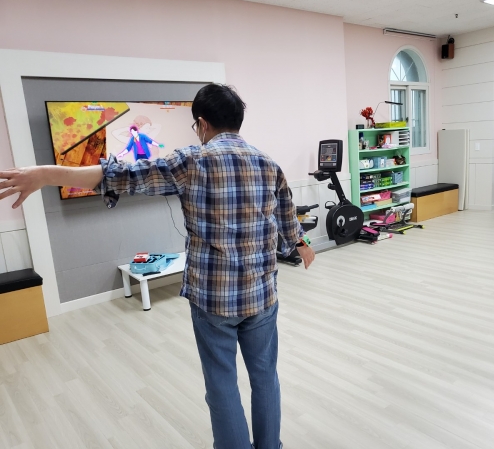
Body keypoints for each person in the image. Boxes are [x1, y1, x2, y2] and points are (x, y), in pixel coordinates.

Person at [0, 83, 316, 448]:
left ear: (202, 124)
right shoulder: (268, 164)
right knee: (265, 378)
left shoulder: (191, 161)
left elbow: (119, 175)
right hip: (262, 295)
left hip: (213, 300)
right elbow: (287, 222)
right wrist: (302, 244)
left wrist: (45, 174)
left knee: (222, 383)